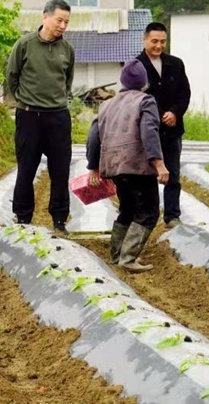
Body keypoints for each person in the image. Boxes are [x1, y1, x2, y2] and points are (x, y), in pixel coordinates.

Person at [86, 59, 170, 272]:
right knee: (148, 212)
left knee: (127, 208)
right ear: (143, 82)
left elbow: (94, 136)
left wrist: (94, 165)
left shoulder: (106, 104)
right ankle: (129, 257)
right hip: (137, 165)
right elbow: (149, 131)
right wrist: (159, 164)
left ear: (122, 82)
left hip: (113, 165)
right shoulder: (145, 101)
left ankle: (115, 254)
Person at [6, 0, 75, 236]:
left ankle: (59, 220)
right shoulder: (24, 45)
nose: (63, 26)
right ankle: (23, 218)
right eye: (59, 20)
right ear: (45, 17)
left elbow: (67, 81)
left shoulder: (67, 49)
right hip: (29, 117)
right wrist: (26, 101)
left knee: (60, 171)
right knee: (26, 169)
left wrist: (56, 102)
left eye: (66, 22)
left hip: (58, 117)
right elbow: (12, 78)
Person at [135, 22, 190, 229]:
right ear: (145, 39)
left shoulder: (175, 64)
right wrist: (157, 116)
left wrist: (175, 112)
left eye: (163, 41)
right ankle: (146, 216)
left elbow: (185, 93)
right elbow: (135, 97)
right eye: (154, 41)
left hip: (172, 130)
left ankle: (172, 215)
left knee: (173, 173)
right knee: (146, 175)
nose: (159, 45)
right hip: (147, 131)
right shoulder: (136, 65)